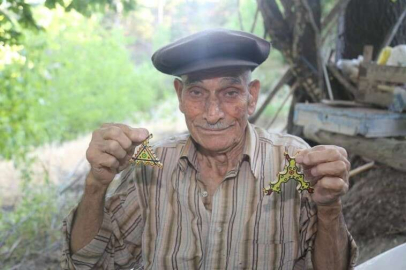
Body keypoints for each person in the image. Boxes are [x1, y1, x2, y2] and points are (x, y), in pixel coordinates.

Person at [61, 29, 357, 270]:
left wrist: (329, 208)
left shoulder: (294, 163)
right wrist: (96, 184)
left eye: (230, 93)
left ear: (251, 96)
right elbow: (91, 261)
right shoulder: (151, 167)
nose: (213, 113)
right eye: (197, 92)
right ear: (179, 96)